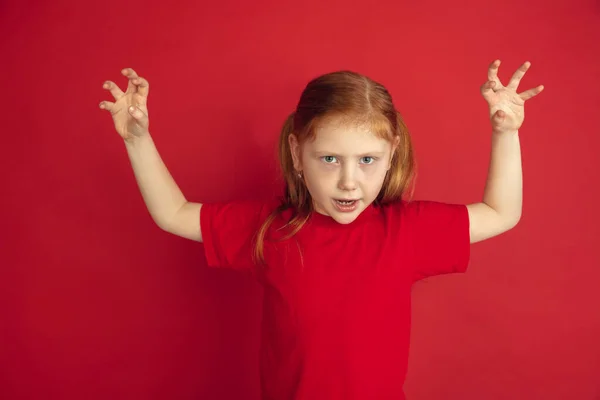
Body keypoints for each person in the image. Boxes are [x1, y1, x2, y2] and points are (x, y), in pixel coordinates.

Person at [99, 60, 544, 400]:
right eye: (329, 159)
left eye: (366, 160)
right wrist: (137, 140)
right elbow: (173, 213)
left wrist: (506, 134)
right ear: (298, 153)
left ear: (391, 154)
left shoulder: (406, 231)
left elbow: (501, 211)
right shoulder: (270, 230)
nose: (349, 181)